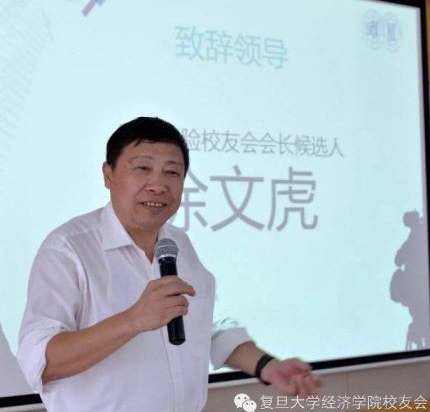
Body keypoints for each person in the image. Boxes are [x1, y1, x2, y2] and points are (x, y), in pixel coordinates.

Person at [17, 117, 320, 412]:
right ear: (108, 175)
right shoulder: (68, 249)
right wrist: (132, 320)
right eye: (143, 168)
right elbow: (41, 361)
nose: (158, 185)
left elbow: (205, 326)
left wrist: (267, 366)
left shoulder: (177, 245)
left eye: (172, 172)